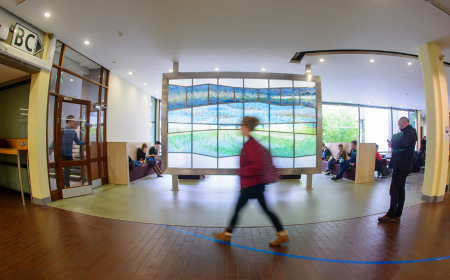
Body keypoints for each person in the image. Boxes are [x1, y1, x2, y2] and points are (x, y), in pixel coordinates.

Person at [213, 116, 289, 246]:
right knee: (264, 209)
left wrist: (242, 172)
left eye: (242, 126)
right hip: (254, 184)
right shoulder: (251, 143)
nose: (240, 128)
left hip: (252, 184)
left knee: (238, 209)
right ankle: (282, 234)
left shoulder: (251, 145)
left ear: (247, 127)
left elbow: (256, 166)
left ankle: (227, 234)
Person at [378, 117, 417, 222]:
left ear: (404, 124)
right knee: (400, 189)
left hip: (401, 166)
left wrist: (392, 144)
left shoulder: (409, 133)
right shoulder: (410, 132)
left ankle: (391, 214)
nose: (399, 128)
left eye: (400, 125)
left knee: (394, 189)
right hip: (402, 165)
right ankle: (397, 213)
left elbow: (403, 143)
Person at [61, 115, 85, 188]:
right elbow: (55, 142)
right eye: (73, 121)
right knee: (63, 171)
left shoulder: (73, 132)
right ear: (69, 121)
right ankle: (63, 186)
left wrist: (85, 142)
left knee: (67, 171)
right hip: (62, 154)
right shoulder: (62, 131)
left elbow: (77, 142)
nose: (74, 122)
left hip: (69, 155)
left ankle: (67, 186)